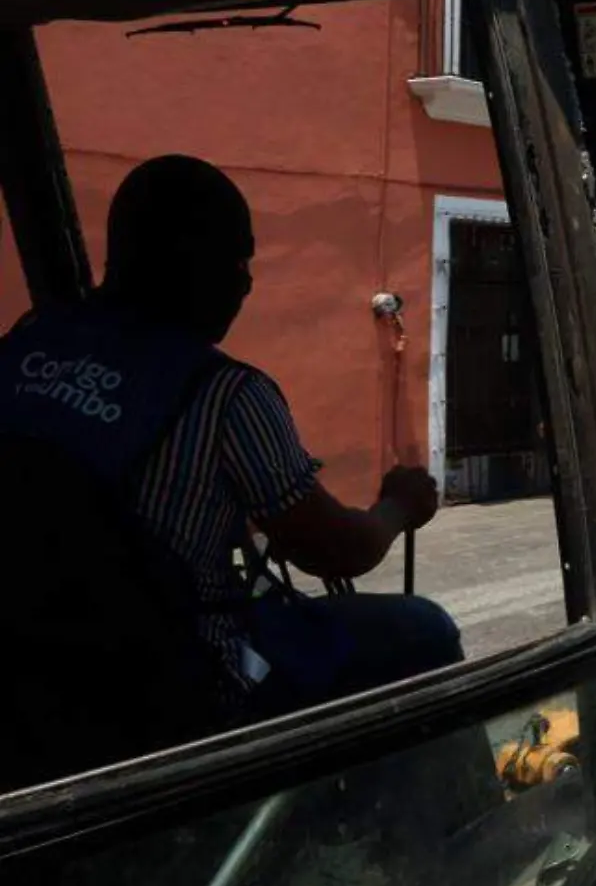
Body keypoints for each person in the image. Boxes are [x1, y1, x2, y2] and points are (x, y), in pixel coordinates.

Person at [0, 156, 459, 727]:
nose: (248, 280)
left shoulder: (26, 343)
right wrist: (400, 505)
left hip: (34, 663)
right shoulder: (225, 393)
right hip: (178, 676)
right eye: (238, 258)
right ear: (189, 260)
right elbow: (338, 550)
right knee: (424, 629)